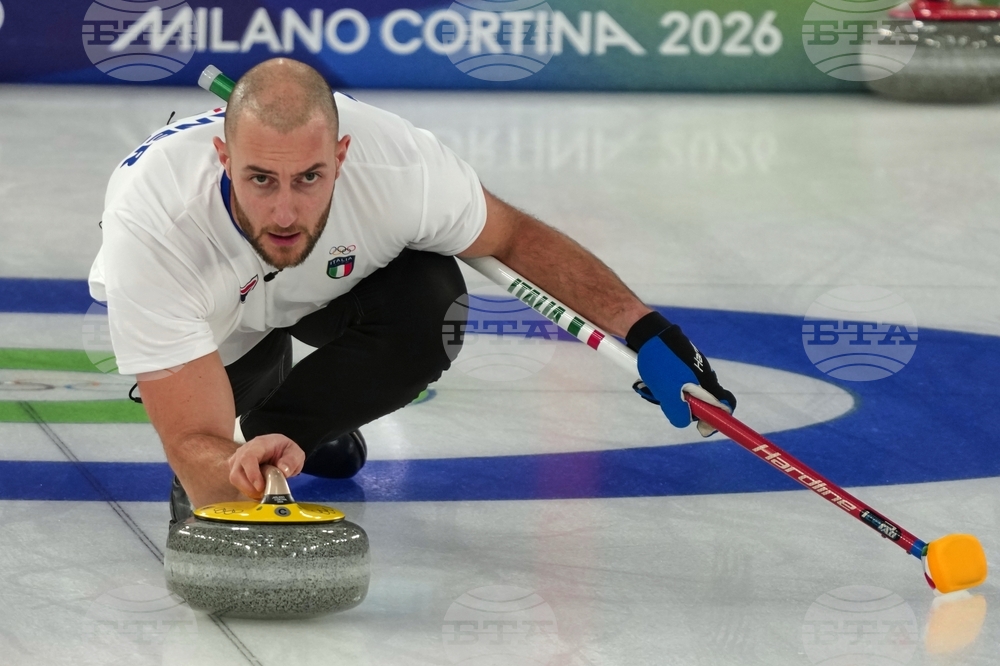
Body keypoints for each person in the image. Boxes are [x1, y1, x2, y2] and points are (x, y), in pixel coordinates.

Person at [88, 58, 736, 524]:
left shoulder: (402, 167)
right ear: (224, 160)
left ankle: (293, 430)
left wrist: (646, 329)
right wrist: (227, 472)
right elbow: (191, 436)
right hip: (215, 313)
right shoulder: (153, 225)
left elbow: (511, 239)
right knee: (215, 450)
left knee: (432, 297)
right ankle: (267, 427)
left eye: (310, 177)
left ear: (342, 156)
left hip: (330, 286)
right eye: (261, 179)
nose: (285, 213)